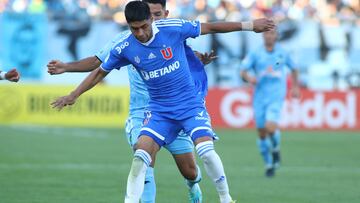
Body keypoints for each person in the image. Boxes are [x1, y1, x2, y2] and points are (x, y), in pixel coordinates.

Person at [51, 1, 275, 202]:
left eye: (144, 26)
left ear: (154, 17)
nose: (139, 33)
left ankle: (222, 197)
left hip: (188, 106)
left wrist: (249, 25)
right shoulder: (124, 46)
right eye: (134, 28)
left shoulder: (173, 29)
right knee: (141, 158)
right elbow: (100, 70)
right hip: (154, 111)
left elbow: (211, 27)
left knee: (196, 163)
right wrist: (73, 94)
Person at [240, 29, 299, 177]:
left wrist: (296, 87)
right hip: (260, 96)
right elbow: (243, 71)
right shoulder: (255, 53)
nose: (269, 36)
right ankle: (269, 163)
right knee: (261, 133)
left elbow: (295, 68)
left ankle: (276, 148)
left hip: (276, 95)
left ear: (277, 36)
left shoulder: (283, 52)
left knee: (270, 127)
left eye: (272, 33)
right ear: (263, 35)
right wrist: (249, 78)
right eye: (267, 33)